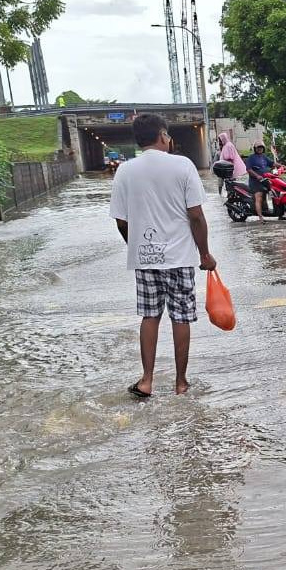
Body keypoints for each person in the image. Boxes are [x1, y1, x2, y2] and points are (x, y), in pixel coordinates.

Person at [110, 113, 218, 398]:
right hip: (180, 258)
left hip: (144, 259)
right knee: (180, 318)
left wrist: (135, 246)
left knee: (149, 316)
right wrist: (205, 254)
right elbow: (196, 216)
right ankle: (181, 383)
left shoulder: (125, 171)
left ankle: (146, 380)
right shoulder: (183, 165)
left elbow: (122, 222)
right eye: (168, 135)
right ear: (162, 136)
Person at [245, 139, 274, 221]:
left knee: (274, 193)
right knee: (259, 197)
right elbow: (249, 169)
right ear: (255, 148)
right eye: (258, 148)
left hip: (265, 180)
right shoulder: (251, 158)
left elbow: (272, 163)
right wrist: (257, 175)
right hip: (255, 182)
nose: (260, 149)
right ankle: (260, 217)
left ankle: (276, 212)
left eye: (261, 147)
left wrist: (281, 166)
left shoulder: (264, 157)